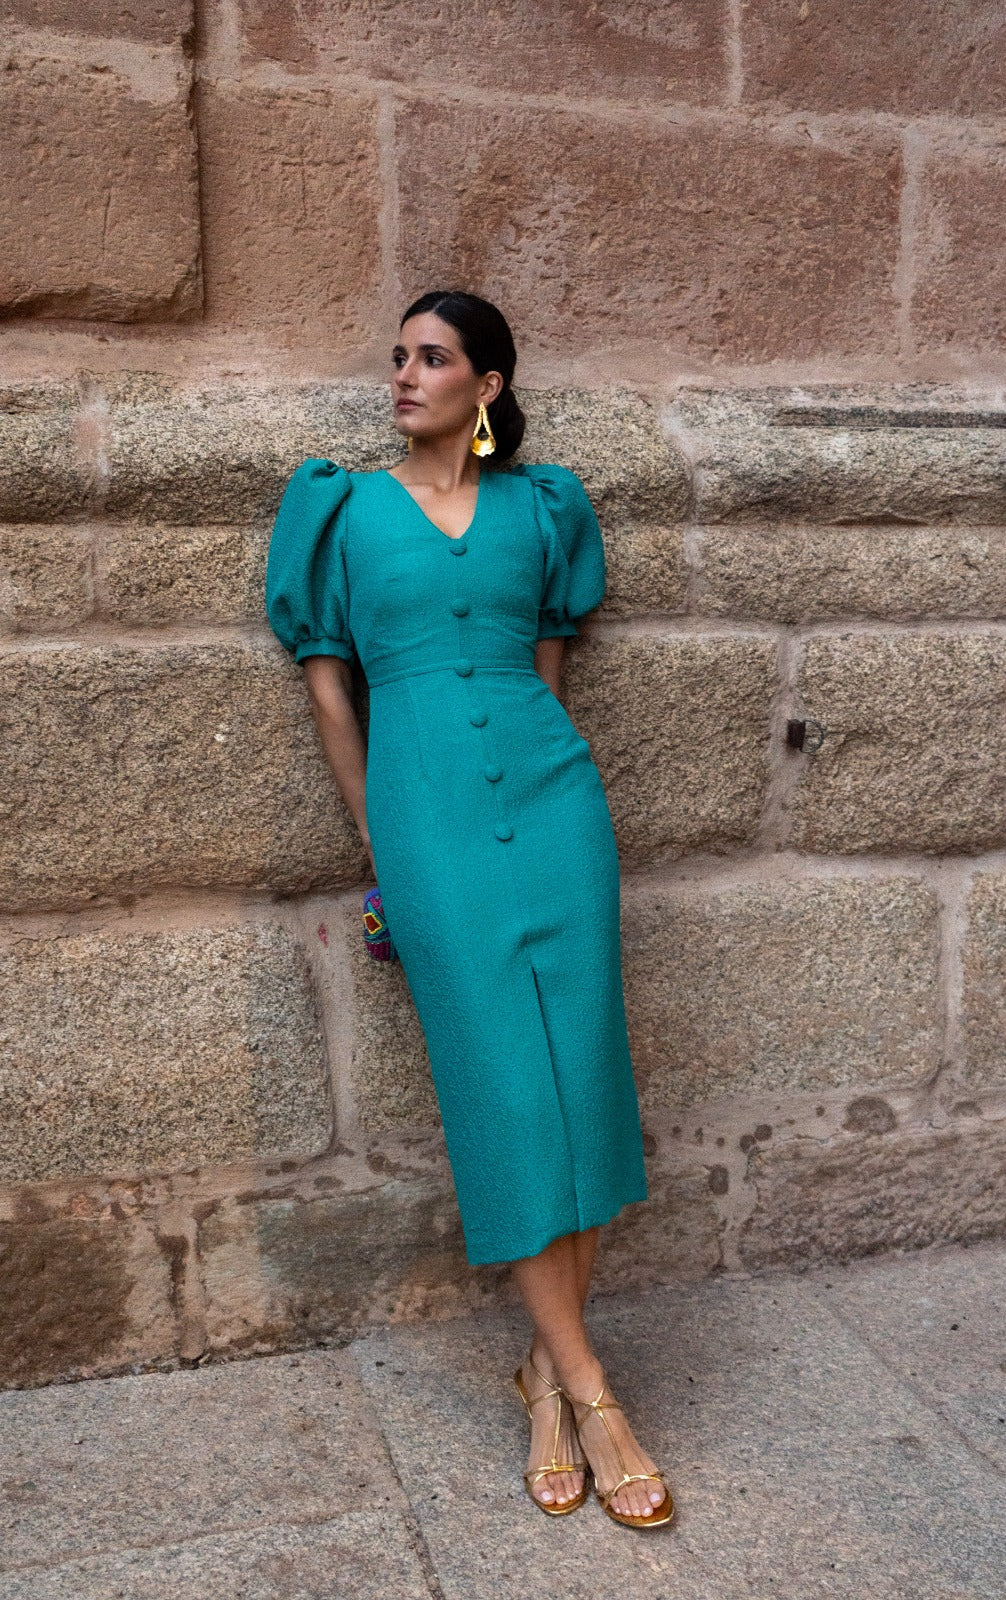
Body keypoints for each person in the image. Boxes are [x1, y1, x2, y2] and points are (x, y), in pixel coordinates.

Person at [265, 289, 673, 1529]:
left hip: (556, 813)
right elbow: (332, 700)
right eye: (398, 356)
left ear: (485, 385)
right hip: (427, 825)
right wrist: (385, 851)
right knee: (504, 1095)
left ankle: (547, 1379)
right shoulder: (336, 510)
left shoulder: (543, 507)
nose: (403, 374)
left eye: (431, 358)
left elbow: (548, 672)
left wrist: (546, 786)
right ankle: (596, 1392)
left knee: (583, 1083)